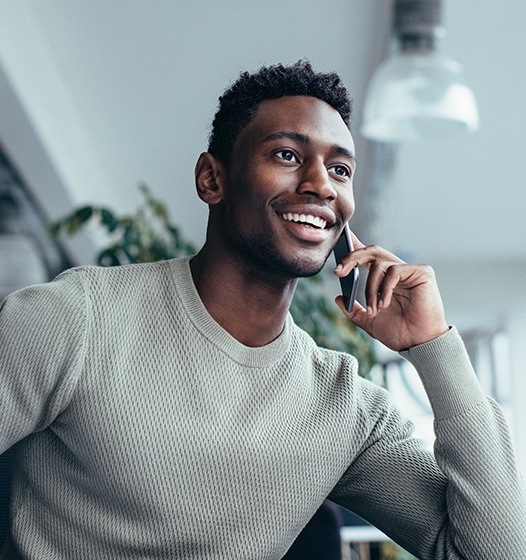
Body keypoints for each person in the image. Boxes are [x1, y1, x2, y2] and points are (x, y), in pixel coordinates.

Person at [0, 60, 525, 560]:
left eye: (340, 169)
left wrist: (435, 347)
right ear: (213, 180)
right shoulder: (76, 319)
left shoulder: (346, 410)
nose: (322, 185)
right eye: (287, 155)